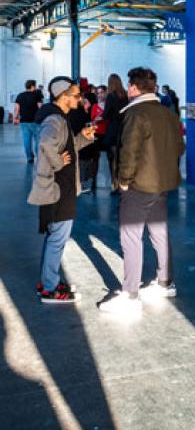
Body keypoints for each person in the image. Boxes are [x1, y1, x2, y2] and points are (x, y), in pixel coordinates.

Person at [99, 67, 185, 314]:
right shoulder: (168, 113)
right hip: (162, 183)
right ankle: (165, 283)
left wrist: (124, 180)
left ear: (134, 88)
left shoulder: (135, 113)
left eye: (129, 86)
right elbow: (179, 147)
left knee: (130, 236)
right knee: (159, 232)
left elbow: (129, 151)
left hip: (139, 185)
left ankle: (130, 294)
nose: (127, 90)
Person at [28, 77, 95, 303]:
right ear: (63, 96)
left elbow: (65, 146)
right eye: (77, 95)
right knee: (58, 238)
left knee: (54, 236)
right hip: (58, 188)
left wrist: (82, 140)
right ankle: (50, 288)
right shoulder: (55, 119)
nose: (80, 99)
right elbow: (46, 144)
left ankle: (49, 280)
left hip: (59, 187)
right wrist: (58, 162)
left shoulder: (59, 118)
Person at [102, 74, 128, 191]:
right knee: (122, 158)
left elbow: (106, 115)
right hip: (124, 129)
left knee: (112, 158)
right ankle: (123, 182)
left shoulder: (110, 96)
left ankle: (114, 182)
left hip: (113, 129)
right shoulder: (126, 95)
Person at [14, 80, 44, 163]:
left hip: (24, 121)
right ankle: (39, 157)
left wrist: (15, 118)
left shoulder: (20, 95)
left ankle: (29, 158)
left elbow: (17, 108)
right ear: (33, 86)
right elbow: (40, 107)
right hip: (35, 121)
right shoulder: (37, 95)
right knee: (37, 139)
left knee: (26, 140)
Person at [90, 85, 110, 190]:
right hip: (97, 133)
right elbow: (92, 121)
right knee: (95, 157)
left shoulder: (109, 106)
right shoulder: (94, 106)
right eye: (98, 93)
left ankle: (113, 182)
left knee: (111, 157)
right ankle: (93, 181)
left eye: (101, 92)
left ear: (106, 93)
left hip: (107, 134)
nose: (100, 95)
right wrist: (96, 120)